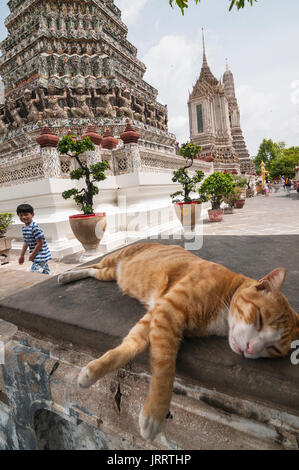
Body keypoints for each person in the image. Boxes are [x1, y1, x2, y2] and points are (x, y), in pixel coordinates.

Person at [17, 204, 51, 274]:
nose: (23, 217)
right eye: (21, 215)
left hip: (40, 255)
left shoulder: (34, 228)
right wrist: (22, 256)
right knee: (44, 272)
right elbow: (26, 242)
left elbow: (40, 243)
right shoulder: (24, 228)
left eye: (26, 214)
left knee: (34, 274)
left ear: (32, 214)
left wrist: (32, 255)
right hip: (37, 255)